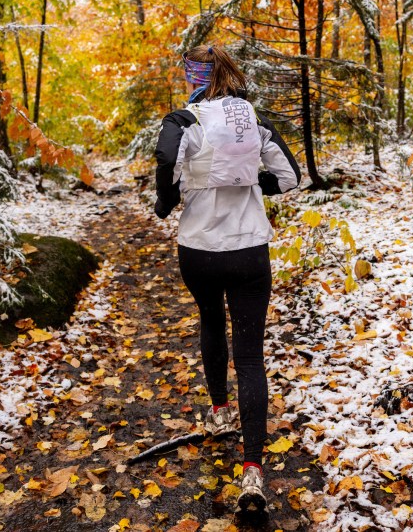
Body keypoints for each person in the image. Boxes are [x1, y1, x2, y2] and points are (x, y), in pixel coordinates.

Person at [153, 44, 301, 514]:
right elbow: (291, 177)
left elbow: (165, 159)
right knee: (251, 357)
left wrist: (166, 202)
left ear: (193, 77)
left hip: (199, 250)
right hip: (249, 249)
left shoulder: (184, 120)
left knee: (211, 322)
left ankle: (220, 414)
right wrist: (255, 185)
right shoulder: (252, 120)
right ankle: (253, 471)